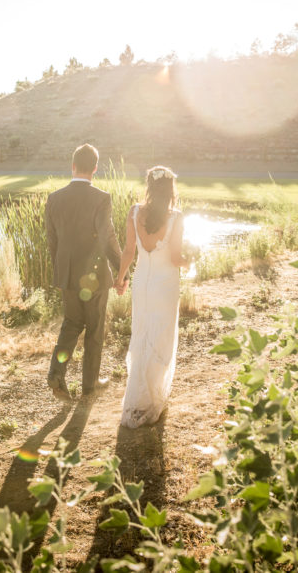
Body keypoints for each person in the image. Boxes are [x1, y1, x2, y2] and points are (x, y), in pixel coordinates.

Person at [46, 143, 124, 401]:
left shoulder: (54, 198)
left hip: (67, 275)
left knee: (71, 324)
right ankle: (89, 387)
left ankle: (56, 375)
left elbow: (52, 242)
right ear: (95, 169)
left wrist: (60, 274)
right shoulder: (101, 198)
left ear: (73, 166)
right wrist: (121, 270)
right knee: (94, 329)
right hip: (95, 276)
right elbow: (108, 237)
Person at [114, 166, 190, 428]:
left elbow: (128, 251)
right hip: (165, 285)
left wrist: (120, 278)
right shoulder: (176, 217)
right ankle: (151, 399)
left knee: (142, 335)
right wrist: (191, 260)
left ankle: (137, 400)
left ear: (149, 186)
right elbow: (175, 258)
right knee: (160, 337)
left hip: (142, 284)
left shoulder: (135, 213)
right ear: (170, 190)